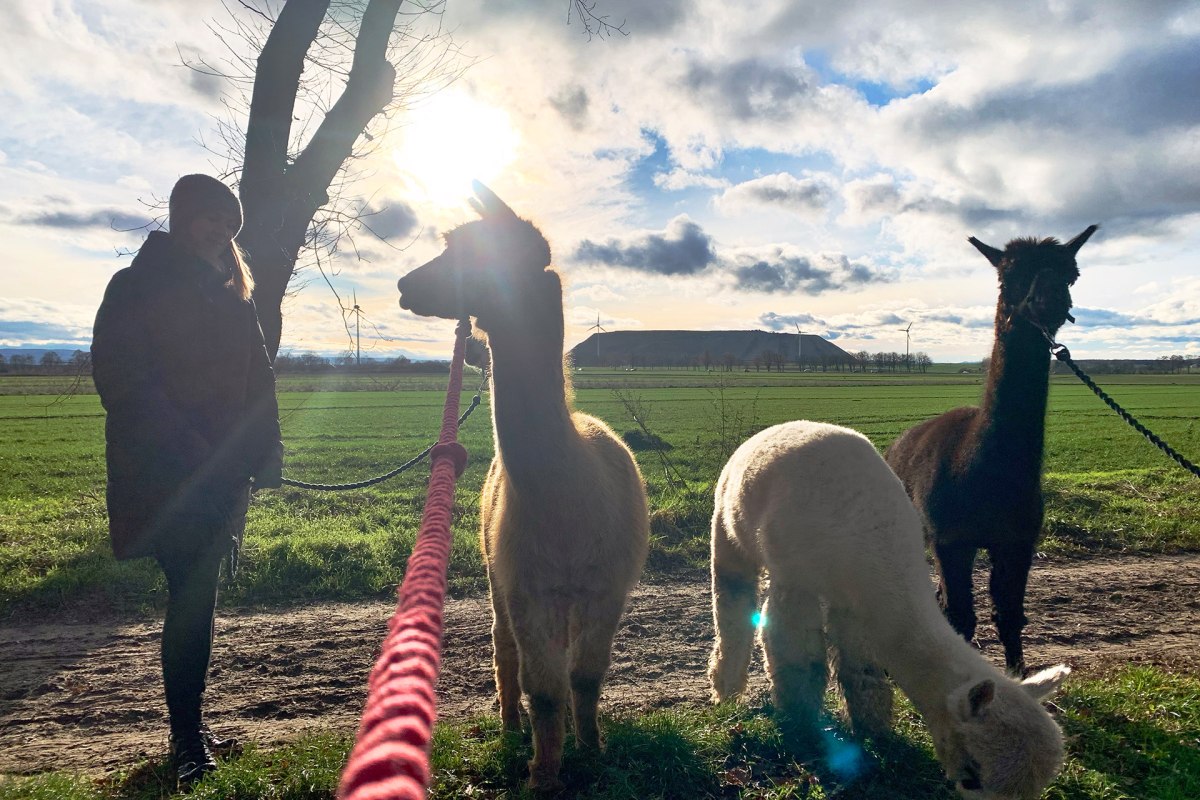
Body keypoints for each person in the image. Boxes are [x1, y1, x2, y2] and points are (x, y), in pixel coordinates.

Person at [91, 174, 283, 786]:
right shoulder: (135, 287)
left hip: (220, 475)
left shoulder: (233, 298)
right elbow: (124, 384)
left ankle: (190, 728)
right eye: (210, 219)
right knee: (194, 596)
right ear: (182, 218)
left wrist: (266, 447)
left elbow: (260, 381)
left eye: (229, 226)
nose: (219, 232)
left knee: (198, 599)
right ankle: (186, 741)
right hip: (165, 478)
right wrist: (197, 451)